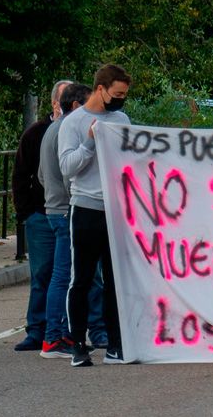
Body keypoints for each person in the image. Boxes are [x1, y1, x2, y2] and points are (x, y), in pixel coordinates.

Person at [59, 65, 133, 367]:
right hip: (86, 207)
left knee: (116, 279)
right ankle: (77, 343)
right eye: (116, 94)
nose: (120, 100)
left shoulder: (121, 119)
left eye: (124, 95)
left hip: (115, 209)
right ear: (100, 89)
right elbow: (67, 166)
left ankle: (116, 343)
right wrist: (90, 141)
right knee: (83, 278)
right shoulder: (73, 123)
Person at [38, 81, 106, 359]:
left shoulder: (52, 129)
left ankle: (60, 333)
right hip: (67, 209)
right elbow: (69, 175)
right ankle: (54, 336)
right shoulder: (67, 129)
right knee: (66, 276)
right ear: (77, 105)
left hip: (54, 207)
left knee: (65, 275)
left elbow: (43, 174)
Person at [12, 82, 68, 353]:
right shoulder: (35, 133)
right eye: (63, 99)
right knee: (42, 272)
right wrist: (26, 212)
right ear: (54, 103)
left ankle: (65, 329)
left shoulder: (77, 131)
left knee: (70, 274)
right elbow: (21, 173)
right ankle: (36, 329)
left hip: (66, 211)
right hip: (40, 213)